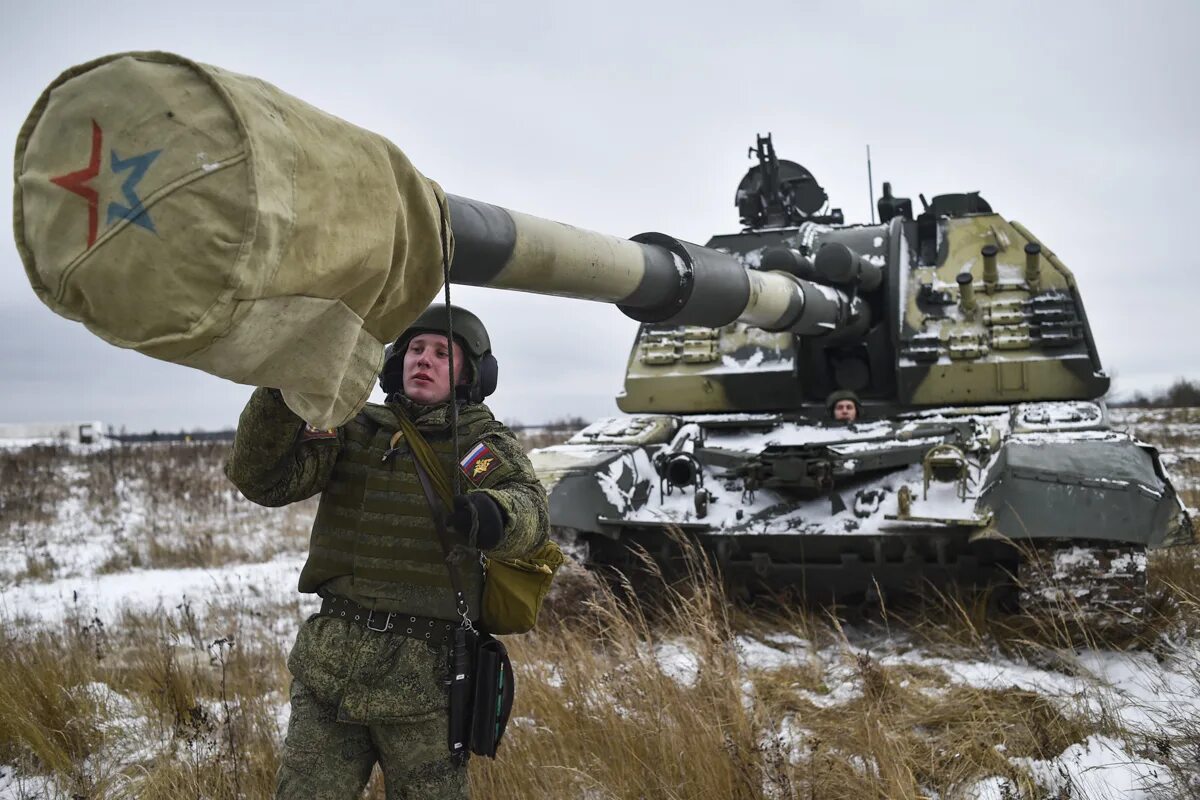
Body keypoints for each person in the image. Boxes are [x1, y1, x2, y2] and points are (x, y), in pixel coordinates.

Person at [225, 304, 549, 800]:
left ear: (472, 373)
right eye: (416, 349)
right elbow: (264, 481)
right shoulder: (351, 427)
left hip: (426, 683)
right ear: (396, 361)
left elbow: (530, 511)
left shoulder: (477, 446)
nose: (425, 359)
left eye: (443, 353)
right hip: (330, 669)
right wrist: (281, 388)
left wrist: (493, 514)